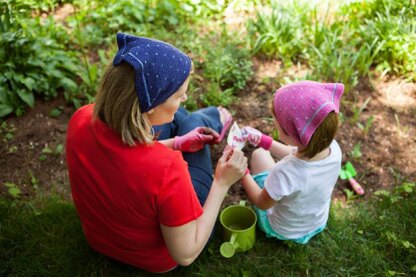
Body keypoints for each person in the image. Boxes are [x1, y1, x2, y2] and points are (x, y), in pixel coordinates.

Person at [66, 32, 247, 273]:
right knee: (193, 121)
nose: (185, 96)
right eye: (179, 94)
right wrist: (222, 183)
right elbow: (185, 254)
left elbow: (123, 161)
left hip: (102, 240)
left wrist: (177, 143)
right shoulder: (166, 168)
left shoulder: (81, 118)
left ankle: (199, 120)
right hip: (156, 259)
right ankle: (208, 118)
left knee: (182, 124)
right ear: (150, 106)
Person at [240, 81, 344, 244]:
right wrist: (264, 140)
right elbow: (294, 153)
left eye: (276, 125)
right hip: (315, 222)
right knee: (262, 151)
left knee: (259, 156)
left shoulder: (284, 172)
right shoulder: (333, 149)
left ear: (291, 135)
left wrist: (242, 172)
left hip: (283, 228)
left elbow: (261, 203)